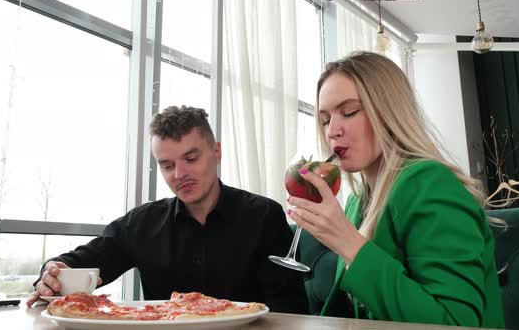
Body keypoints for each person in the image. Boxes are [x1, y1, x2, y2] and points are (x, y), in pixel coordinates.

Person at [286, 52, 505, 328]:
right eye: (325, 119)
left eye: (349, 111)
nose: (332, 131)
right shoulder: (357, 200)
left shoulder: (430, 184)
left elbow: (454, 323)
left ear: (388, 110)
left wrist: (349, 243)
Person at [27, 105, 308, 314]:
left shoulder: (264, 216)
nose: (179, 174)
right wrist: (51, 275)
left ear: (217, 152)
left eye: (191, 158)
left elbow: (290, 309)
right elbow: (78, 263)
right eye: (167, 165)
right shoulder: (141, 224)